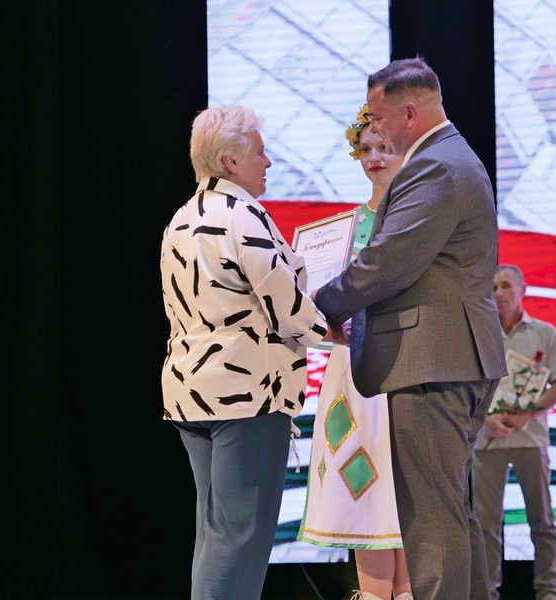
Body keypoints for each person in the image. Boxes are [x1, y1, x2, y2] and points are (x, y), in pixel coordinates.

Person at [312, 57, 507, 600]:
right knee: (448, 509)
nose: (373, 128)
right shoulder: (448, 157)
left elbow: (386, 262)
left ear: (410, 113)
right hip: (449, 355)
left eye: (378, 118)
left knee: (431, 518)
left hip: (434, 359)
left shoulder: (435, 165)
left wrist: (317, 305)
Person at [159, 106, 335, 600]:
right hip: (245, 394)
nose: (269, 162)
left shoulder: (181, 218)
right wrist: (336, 330)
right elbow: (287, 308)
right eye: (260, 152)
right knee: (240, 536)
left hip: (193, 391)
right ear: (230, 162)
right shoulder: (242, 215)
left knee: (217, 533)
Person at [298, 106, 412, 600]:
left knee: (406, 495)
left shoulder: (419, 220)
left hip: (405, 365)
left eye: (383, 147)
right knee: (362, 492)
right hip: (351, 373)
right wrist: (326, 325)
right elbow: (314, 308)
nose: (374, 157)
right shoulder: (341, 229)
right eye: (365, 149)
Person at [472, 264, 556, 600]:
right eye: (493, 287)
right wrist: (486, 419)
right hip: (487, 440)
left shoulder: (544, 332)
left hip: (531, 439)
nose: (499, 293)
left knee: (542, 520)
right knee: (485, 524)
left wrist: (528, 415)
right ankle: (487, 591)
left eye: (506, 285)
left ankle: (550, 589)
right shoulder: (477, 333)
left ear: (523, 290)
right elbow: (467, 388)